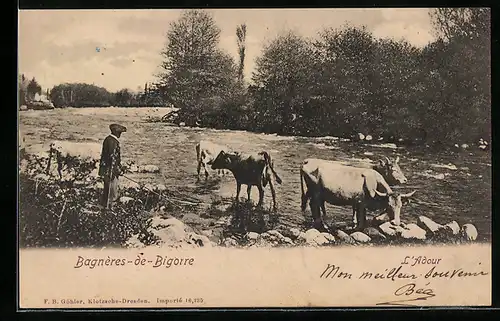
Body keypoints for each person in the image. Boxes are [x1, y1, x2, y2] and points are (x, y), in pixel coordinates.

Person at [98, 123, 127, 209]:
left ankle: (105, 207)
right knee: (112, 191)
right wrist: (116, 169)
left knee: (107, 190)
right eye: (120, 133)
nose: (120, 135)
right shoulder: (113, 142)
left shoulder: (108, 139)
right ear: (116, 133)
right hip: (110, 171)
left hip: (106, 169)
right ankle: (110, 208)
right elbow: (112, 157)